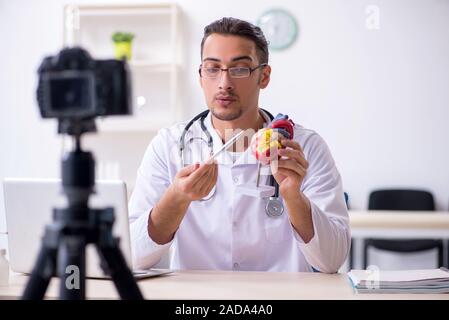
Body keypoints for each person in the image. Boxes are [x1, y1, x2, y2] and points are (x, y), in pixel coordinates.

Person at [128, 17, 350, 273]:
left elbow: (332, 260)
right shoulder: (168, 146)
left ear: (264, 76)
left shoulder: (305, 147)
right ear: (201, 76)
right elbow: (133, 258)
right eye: (212, 68)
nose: (224, 83)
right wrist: (176, 199)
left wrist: (293, 196)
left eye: (240, 69)